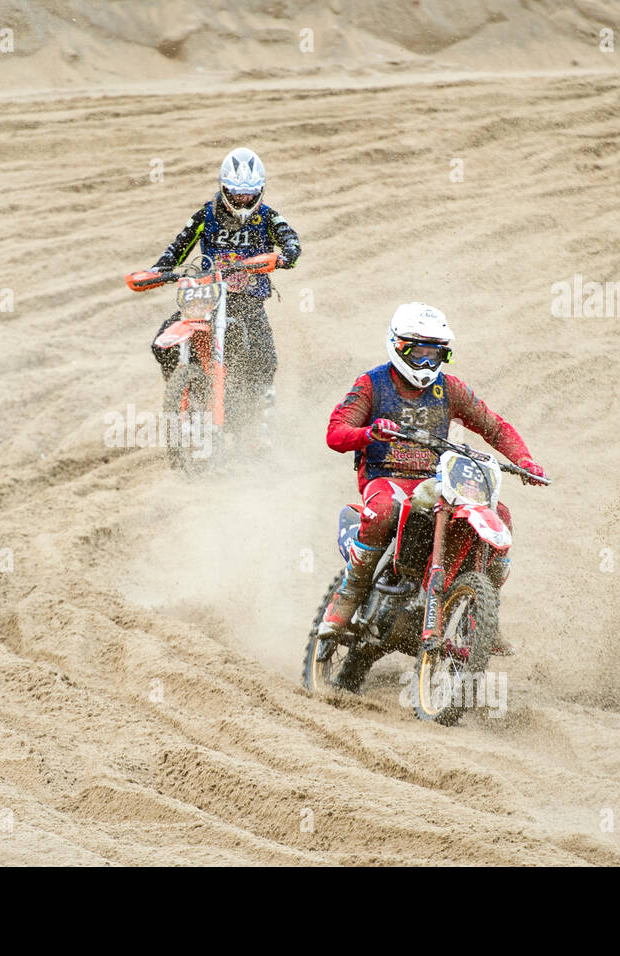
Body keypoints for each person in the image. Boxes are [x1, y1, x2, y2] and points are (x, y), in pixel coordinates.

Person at [319, 302, 545, 653]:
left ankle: (483, 613)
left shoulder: (449, 389)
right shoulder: (372, 384)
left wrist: (525, 459)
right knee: (382, 509)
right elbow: (336, 433)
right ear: (397, 346)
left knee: (501, 515)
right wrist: (371, 433)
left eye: (435, 354)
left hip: (438, 480)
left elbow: (494, 426)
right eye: (418, 353)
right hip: (387, 477)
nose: (426, 363)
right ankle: (348, 596)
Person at [149, 147, 301, 439]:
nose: (243, 199)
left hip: (247, 300)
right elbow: (177, 249)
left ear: (259, 191)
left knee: (264, 358)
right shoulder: (206, 215)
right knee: (161, 342)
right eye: (236, 194)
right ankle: (188, 390)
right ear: (224, 188)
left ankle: (259, 422)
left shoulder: (268, 218)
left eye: (249, 194)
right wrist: (159, 270)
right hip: (205, 298)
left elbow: (290, 240)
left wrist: (287, 256)